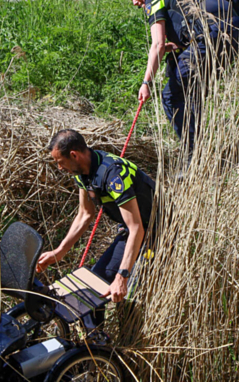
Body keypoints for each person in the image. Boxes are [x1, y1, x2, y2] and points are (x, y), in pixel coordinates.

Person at [124, 0, 236, 157]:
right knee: (193, 91)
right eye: (132, 0)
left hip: (212, 33)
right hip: (232, 29)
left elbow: (157, 44)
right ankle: (202, 150)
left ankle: (193, 154)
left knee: (171, 95)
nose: (135, 2)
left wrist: (146, 83)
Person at [36, 129, 156, 303]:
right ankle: (96, 331)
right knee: (96, 284)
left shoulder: (113, 174)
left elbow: (136, 227)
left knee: (130, 295)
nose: (59, 167)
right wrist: (59, 252)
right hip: (133, 230)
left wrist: (122, 276)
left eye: (60, 162)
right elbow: (85, 214)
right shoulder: (83, 173)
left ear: (74, 155)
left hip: (157, 230)